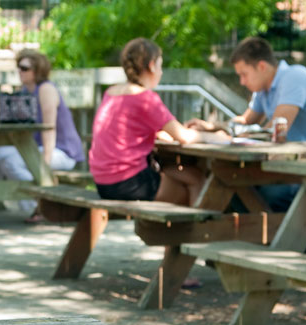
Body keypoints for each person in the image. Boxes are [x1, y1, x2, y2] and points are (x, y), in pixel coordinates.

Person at [187, 36, 306, 211]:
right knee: (235, 186)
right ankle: (281, 237)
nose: (242, 82)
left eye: (244, 74)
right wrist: (212, 127)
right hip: (302, 166)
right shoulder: (263, 90)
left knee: (263, 193)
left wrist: (226, 134)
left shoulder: (294, 77)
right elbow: (245, 121)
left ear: (262, 67)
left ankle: (292, 238)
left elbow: (273, 131)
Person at [89, 38, 221, 206]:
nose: (161, 72)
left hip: (103, 182)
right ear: (151, 66)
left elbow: (132, 129)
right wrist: (217, 137)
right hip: (129, 181)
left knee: (193, 175)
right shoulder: (145, 98)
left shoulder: (111, 92)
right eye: (160, 65)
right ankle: (198, 230)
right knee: (198, 188)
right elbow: (184, 137)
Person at [0, 50, 85, 224]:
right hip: (35, 148)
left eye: (24, 68)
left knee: (9, 160)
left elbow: (48, 129)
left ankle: (38, 206)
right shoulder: (25, 91)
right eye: (19, 67)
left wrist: (43, 165)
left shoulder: (46, 90)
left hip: (61, 151)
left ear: (37, 70)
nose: (20, 72)